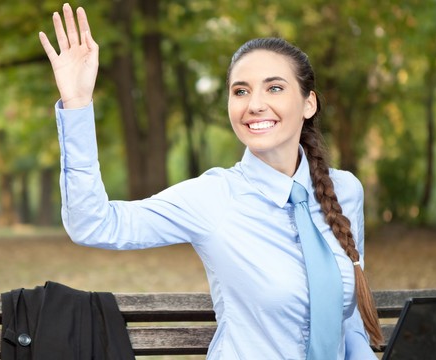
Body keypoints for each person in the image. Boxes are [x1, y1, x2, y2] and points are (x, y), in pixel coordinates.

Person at [39, 3, 383, 359]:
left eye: (275, 88)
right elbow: (93, 224)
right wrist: (77, 104)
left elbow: (348, 319)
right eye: (241, 91)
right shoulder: (213, 198)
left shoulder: (345, 191)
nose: (255, 104)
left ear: (309, 103)